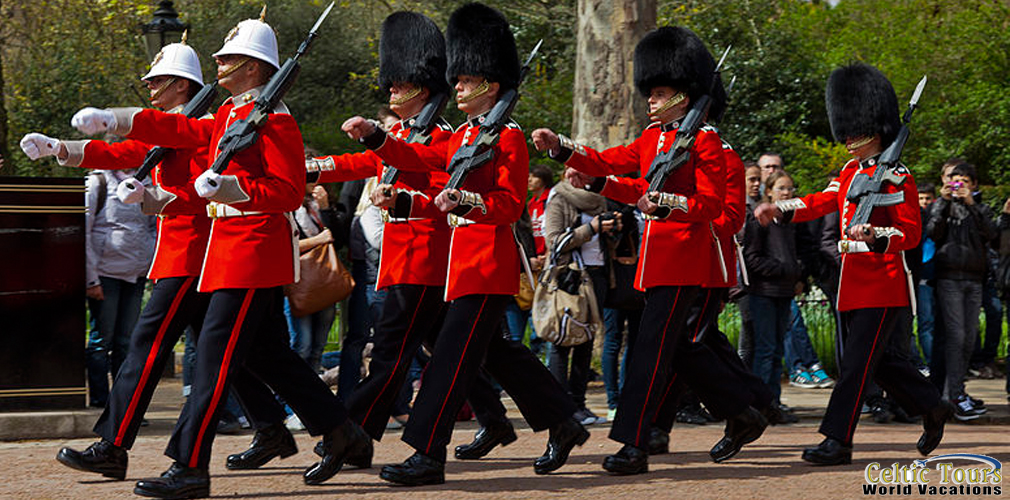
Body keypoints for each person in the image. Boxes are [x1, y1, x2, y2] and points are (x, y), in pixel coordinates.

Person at [69, 13, 371, 496]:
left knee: (212, 358)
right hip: (222, 251)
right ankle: (340, 430)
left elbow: (288, 191)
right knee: (260, 353)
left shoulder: (277, 119)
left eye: (229, 58)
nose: (219, 64)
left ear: (255, 68)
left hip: (255, 253)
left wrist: (230, 186)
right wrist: (111, 125)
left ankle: (190, 466)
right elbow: (178, 132)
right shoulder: (231, 114)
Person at [342, 4, 588, 485]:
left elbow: (509, 205)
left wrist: (466, 200)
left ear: (489, 86)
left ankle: (428, 454)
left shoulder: (509, 138)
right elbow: (417, 153)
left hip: (488, 267)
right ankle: (563, 421)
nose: (455, 88)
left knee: (450, 362)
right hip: (461, 267)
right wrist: (376, 138)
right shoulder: (466, 135)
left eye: (465, 80)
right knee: (495, 356)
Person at [533, 26, 768, 475]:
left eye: (660, 93)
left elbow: (712, 205)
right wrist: (565, 150)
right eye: (651, 93)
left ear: (683, 95)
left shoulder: (707, 142)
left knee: (650, 351)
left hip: (686, 258)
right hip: (656, 260)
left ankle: (633, 444)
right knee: (678, 348)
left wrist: (668, 204)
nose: (651, 101)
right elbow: (611, 164)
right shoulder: (654, 140)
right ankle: (741, 411)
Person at [24, 39, 212, 482]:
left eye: (158, 81)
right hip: (178, 255)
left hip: (194, 255)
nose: (150, 89)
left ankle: (112, 446)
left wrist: (153, 192)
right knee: (255, 356)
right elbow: (120, 154)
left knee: (145, 348)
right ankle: (330, 430)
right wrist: (60, 148)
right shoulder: (172, 126)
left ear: (182, 86)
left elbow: (203, 190)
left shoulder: (201, 127)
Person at [755, 62, 951, 465]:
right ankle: (933, 404)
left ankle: (837, 440)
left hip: (883, 281)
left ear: (875, 128)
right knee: (880, 364)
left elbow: (910, 234)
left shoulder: (898, 176)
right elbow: (822, 202)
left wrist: (877, 236)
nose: (846, 137)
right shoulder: (848, 172)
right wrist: (781, 208)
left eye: (854, 129)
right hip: (851, 283)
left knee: (855, 367)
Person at [542, 166, 618, 425]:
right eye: (575, 172)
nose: (580, 178)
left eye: (584, 173)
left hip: (597, 277)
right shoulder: (559, 197)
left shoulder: (599, 199)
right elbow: (553, 242)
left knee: (586, 341)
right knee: (563, 340)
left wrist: (613, 230)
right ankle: (560, 407)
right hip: (569, 278)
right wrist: (591, 229)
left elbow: (607, 244)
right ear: (565, 173)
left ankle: (579, 405)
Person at [926, 161, 997, 420]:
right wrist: (944, 203)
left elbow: (991, 234)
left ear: (973, 185)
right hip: (949, 278)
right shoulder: (941, 207)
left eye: (965, 181)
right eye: (955, 181)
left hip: (975, 279)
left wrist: (972, 205)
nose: (960, 186)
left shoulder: (980, 208)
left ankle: (954, 392)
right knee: (956, 335)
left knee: (969, 337)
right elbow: (932, 232)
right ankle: (953, 395)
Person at [745, 170, 802, 405]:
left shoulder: (790, 222)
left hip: (784, 291)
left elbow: (799, 253)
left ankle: (773, 401)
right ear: (769, 192)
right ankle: (761, 401)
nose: (787, 192)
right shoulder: (759, 220)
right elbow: (752, 258)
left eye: (790, 188)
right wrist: (783, 270)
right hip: (764, 292)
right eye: (781, 188)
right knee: (766, 349)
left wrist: (798, 275)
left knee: (778, 349)